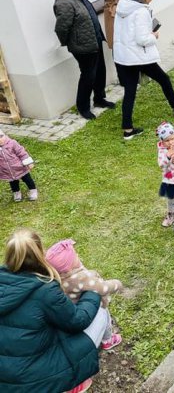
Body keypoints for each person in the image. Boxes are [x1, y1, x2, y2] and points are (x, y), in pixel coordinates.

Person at [0, 228, 108, 393]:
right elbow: (77, 321)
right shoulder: (45, 289)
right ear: (40, 253)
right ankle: (72, 383)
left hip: (5, 378)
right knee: (100, 313)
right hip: (35, 381)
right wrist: (92, 292)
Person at [113, 0, 174, 140]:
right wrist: (154, 35)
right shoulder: (141, 11)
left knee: (129, 92)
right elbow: (142, 39)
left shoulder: (123, 8)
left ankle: (128, 129)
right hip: (139, 56)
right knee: (164, 79)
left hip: (124, 57)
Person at [54, 0, 115, 120]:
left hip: (95, 40)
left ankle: (99, 99)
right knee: (88, 76)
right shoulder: (64, 3)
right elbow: (61, 28)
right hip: (83, 47)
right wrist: (71, 43)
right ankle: (83, 107)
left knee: (100, 70)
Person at [46, 238, 123, 352]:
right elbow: (102, 288)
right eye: (75, 256)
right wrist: (117, 284)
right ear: (69, 267)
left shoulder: (56, 280)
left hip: (75, 311)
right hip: (91, 309)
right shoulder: (80, 278)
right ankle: (108, 340)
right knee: (105, 317)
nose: (77, 255)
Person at [0, 129, 38, 202]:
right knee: (13, 183)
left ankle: (33, 190)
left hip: (20, 167)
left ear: (4, 136)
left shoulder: (12, 143)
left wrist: (28, 162)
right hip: (8, 171)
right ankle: (16, 193)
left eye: (1, 137)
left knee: (27, 179)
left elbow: (21, 152)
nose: (0, 140)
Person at [156, 121, 174, 227]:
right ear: (162, 141)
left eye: (172, 138)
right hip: (171, 180)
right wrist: (168, 157)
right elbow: (162, 165)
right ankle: (171, 216)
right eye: (167, 140)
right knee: (171, 199)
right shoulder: (162, 151)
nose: (170, 142)